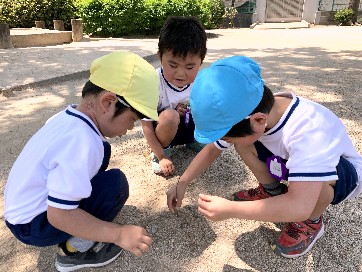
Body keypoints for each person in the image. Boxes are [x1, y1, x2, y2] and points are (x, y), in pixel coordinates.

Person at [166, 55, 362, 258]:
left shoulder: (308, 131)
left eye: (228, 137)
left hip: (343, 175)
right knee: (245, 143)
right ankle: (272, 191)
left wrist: (231, 210)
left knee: (315, 186)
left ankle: (311, 224)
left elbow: (300, 206)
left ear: (258, 120)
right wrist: (183, 182)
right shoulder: (254, 108)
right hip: (289, 161)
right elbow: (212, 149)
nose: (226, 142)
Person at [4, 51, 159, 271]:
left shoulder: (65, 118)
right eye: (132, 119)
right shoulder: (82, 142)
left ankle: (74, 212)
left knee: (102, 151)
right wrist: (119, 233)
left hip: (20, 213)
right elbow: (59, 215)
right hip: (33, 225)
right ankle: (73, 252)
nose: (129, 129)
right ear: (108, 102)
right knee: (115, 185)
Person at [141, 16, 207, 176]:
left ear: (201, 61)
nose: (181, 73)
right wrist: (161, 156)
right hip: (164, 133)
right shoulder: (152, 84)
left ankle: (194, 140)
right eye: (173, 65)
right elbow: (146, 126)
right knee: (170, 116)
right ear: (160, 56)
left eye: (190, 66)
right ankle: (162, 151)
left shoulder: (201, 80)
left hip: (189, 127)